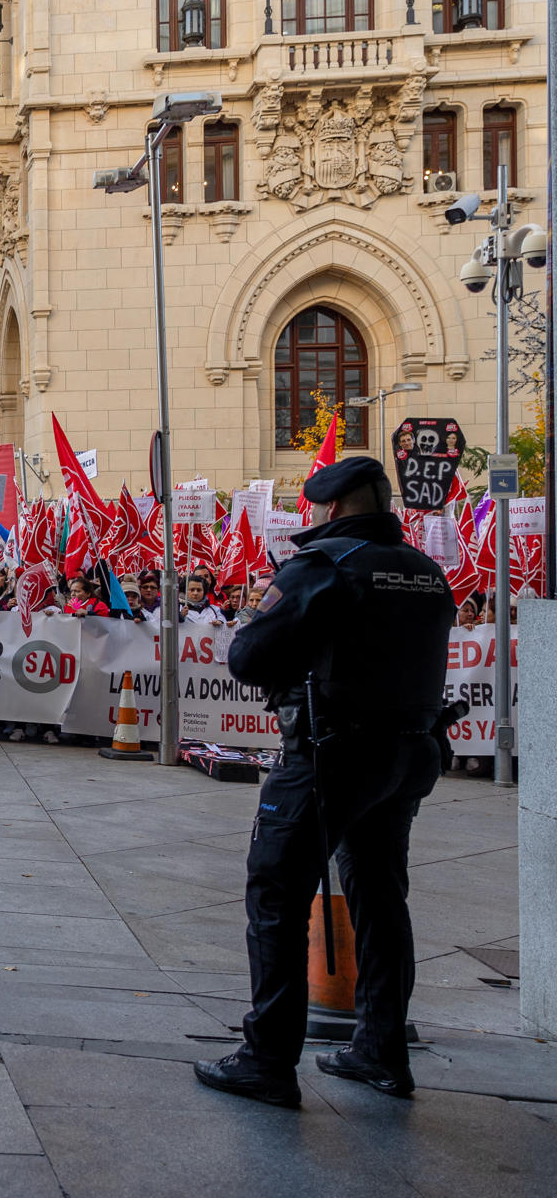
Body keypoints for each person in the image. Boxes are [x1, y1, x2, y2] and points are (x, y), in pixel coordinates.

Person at [195, 457, 456, 1108]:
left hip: (330, 755)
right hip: (409, 753)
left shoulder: (326, 565)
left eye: (316, 509)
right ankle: (380, 1049)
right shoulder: (426, 573)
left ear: (334, 509)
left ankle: (267, 1059)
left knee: (277, 895)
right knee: (380, 901)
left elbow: (248, 656)